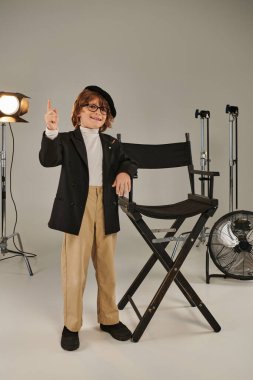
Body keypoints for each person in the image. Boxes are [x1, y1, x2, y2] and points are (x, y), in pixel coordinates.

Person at [39, 85, 137, 351]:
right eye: (91, 106)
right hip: (77, 207)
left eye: (102, 109)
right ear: (78, 112)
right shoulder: (67, 140)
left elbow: (128, 161)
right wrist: (50, 130)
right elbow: (48, 160)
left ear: (107, 117)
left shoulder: (112, 143)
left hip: (105, 204)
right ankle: (71, 325)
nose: (98, 112)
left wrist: (125, 172)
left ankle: (109, 319)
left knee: (107, 269)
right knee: (75, 271)